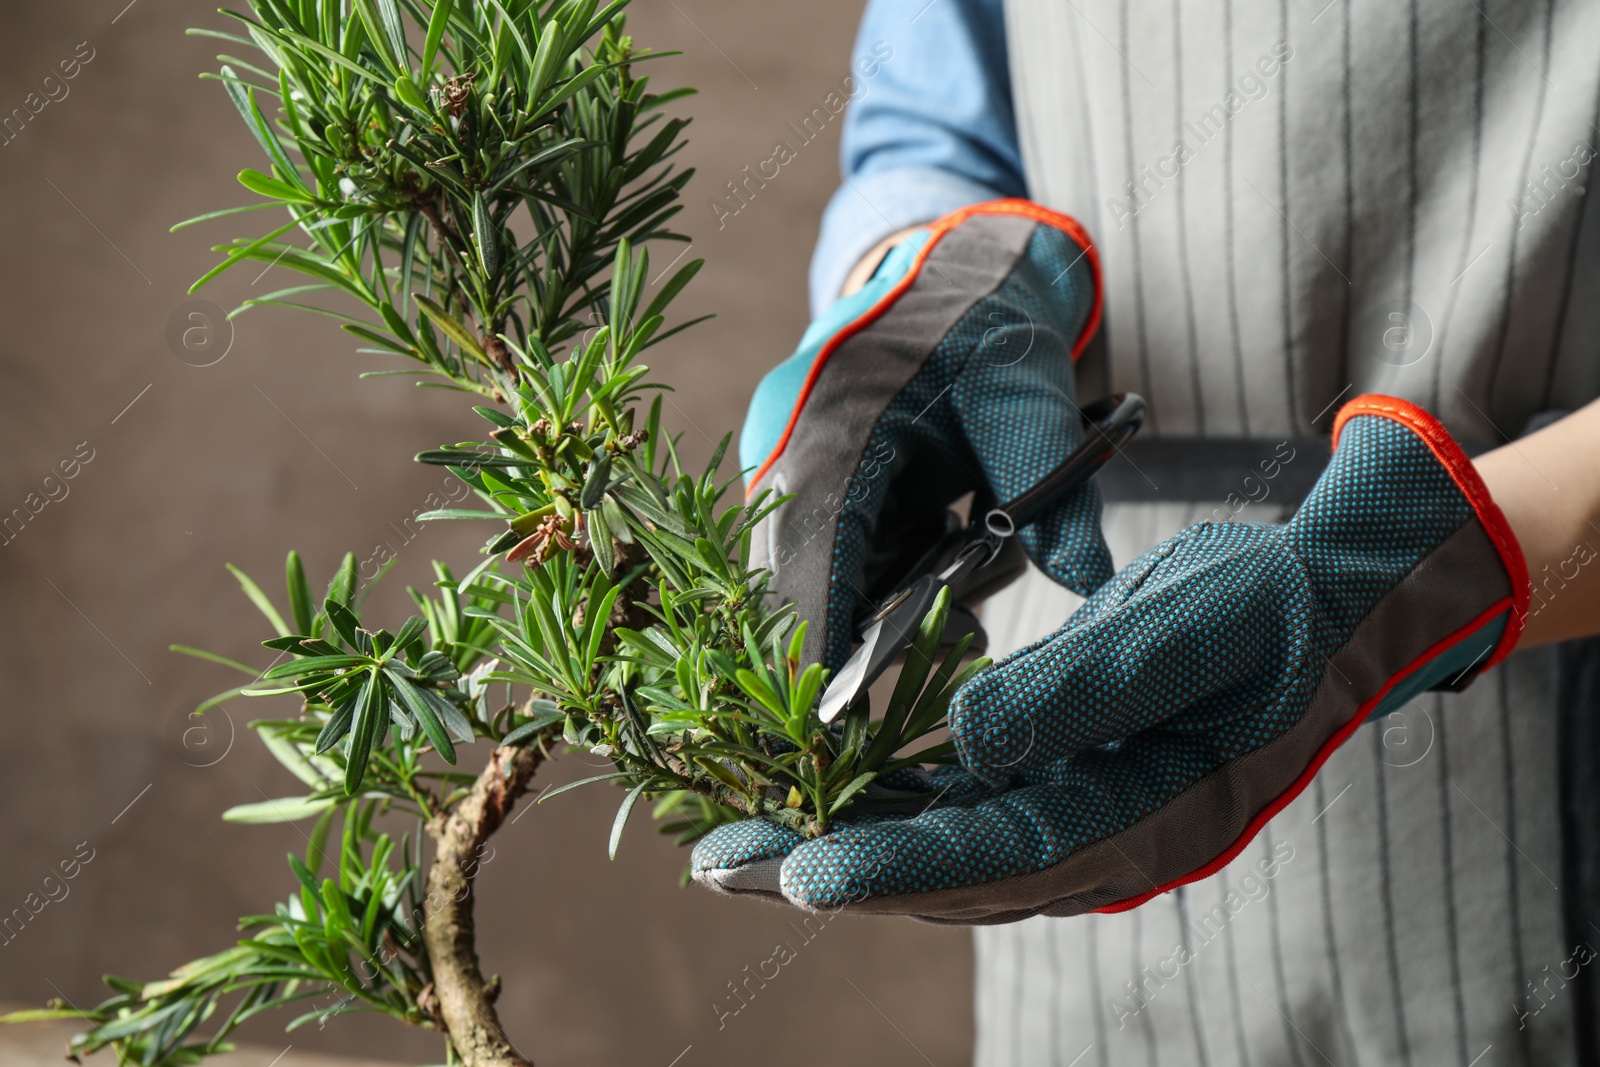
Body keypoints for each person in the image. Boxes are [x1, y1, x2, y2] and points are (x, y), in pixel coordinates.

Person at [692, 1, 1600, 1064]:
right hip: (1064, 721)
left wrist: (1398, 579)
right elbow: (931, 118)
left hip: (1536, 743)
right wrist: (932, 274)